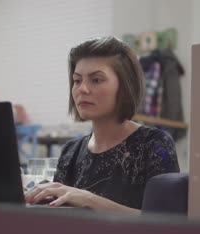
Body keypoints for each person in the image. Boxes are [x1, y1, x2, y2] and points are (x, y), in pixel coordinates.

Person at [25, 36, 179, 214]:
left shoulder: (154, 145)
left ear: (125, 85)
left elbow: (164, 225)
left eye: (96, 80)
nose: (82, 89)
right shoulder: (71, 152)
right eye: (77, 81)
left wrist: (89, 200)